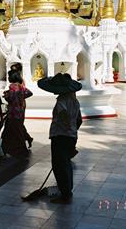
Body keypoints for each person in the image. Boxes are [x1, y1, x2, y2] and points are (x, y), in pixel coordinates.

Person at [38, 73, 83, 204]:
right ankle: (67, 190)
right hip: (70, 137)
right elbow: (79, 120)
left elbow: (63, 114)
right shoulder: (75, 101)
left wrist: (66, 126)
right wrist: (72, 132)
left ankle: (65, 194)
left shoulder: (62, 100)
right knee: (66, 164)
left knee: (59, 165)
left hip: (60, 136)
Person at [1, 70, 33, 157]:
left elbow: (10, 98)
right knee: (18, 130)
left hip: (13, 113)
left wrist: (7, 96)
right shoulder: (21, 87)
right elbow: (30, 93)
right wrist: (21, 98)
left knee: (9, 132)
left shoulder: (12, 86)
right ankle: (19, 149)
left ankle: (6, 150)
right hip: (20, 112)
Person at [10, 63, 34, 148]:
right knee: (19, 125)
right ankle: (27, 138)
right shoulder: (20, 83)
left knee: (17, 126)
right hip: (21, 106)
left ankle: (21, 144)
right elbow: (28, 93)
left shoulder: (14, 85)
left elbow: (12, 97)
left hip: (16, 107)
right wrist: (21, 97)